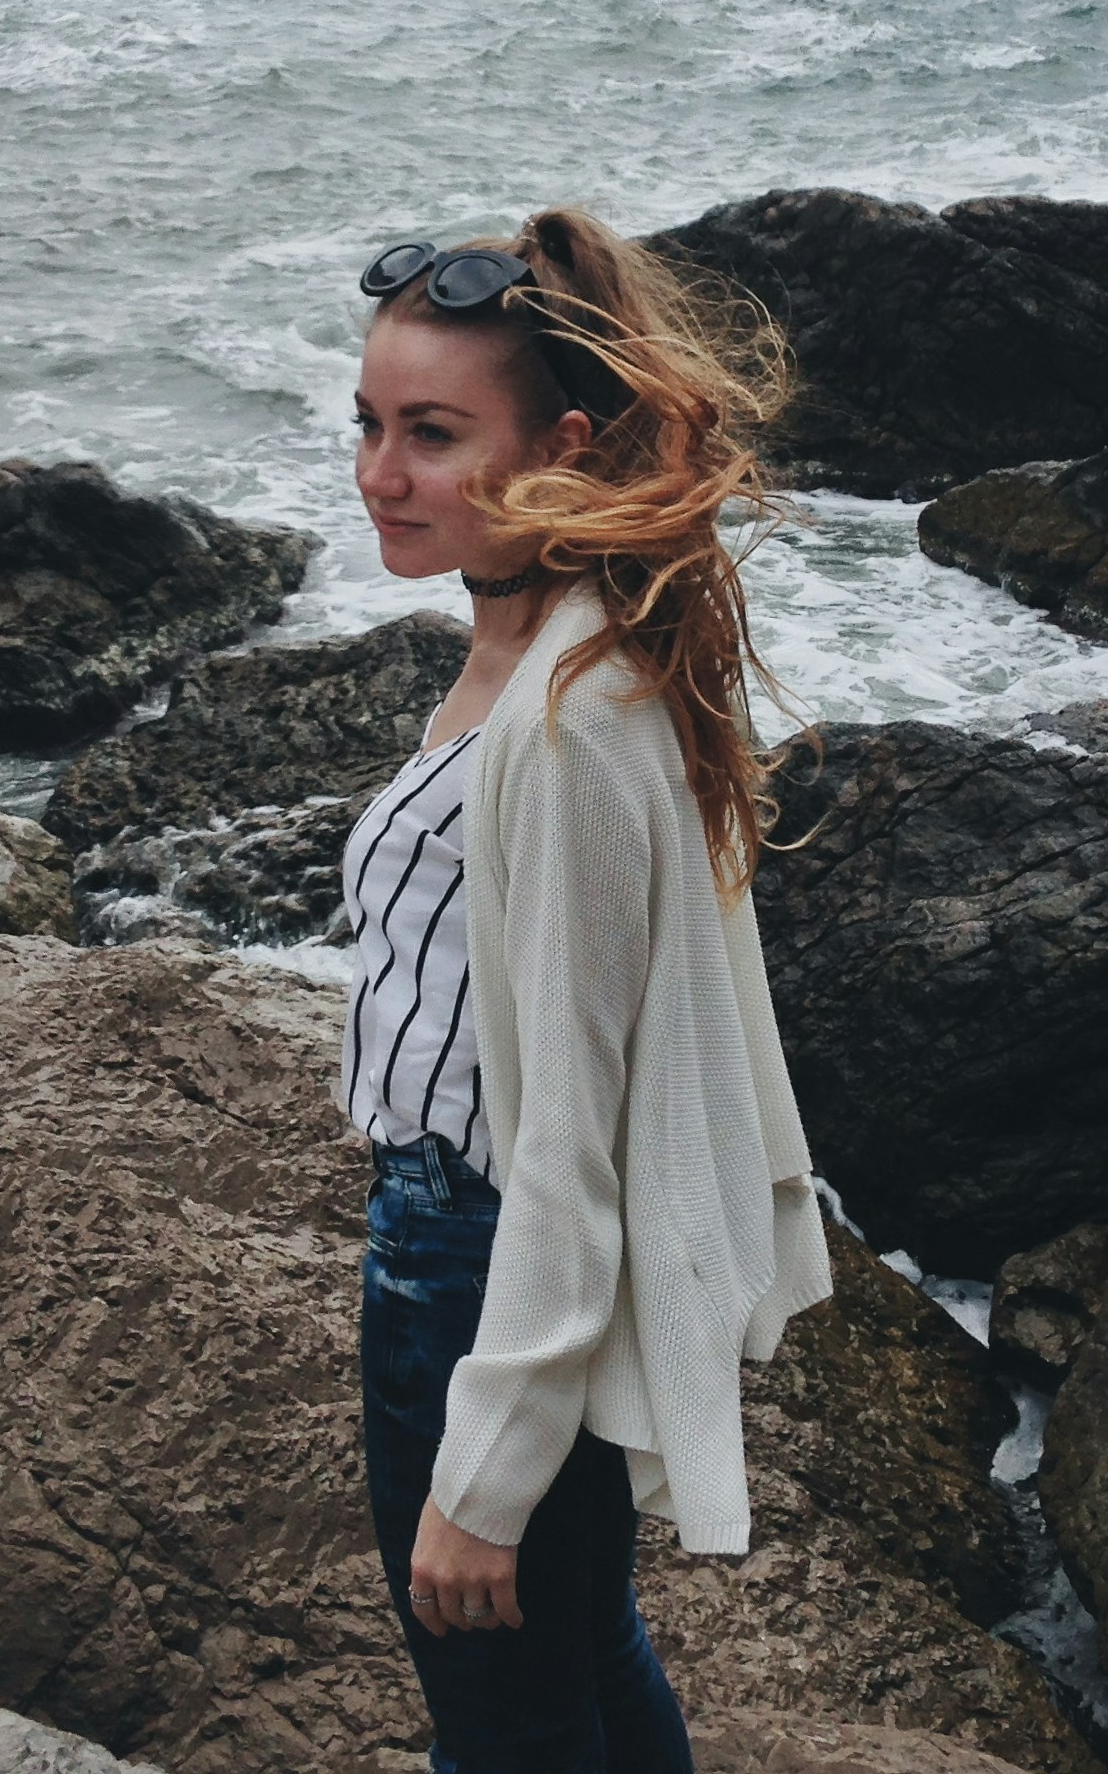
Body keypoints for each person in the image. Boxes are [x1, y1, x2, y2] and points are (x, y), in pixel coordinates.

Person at [341, 207, 835, 1774]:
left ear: (560, 443)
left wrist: (485, 1468)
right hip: (473, 1246)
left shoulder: (556, 726)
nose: (380, 474)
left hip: (474, 1262)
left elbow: (565, 1131)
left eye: (432, 434)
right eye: (369, 423)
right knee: (586, 1668)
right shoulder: (563, 639)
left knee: (503, 1727)